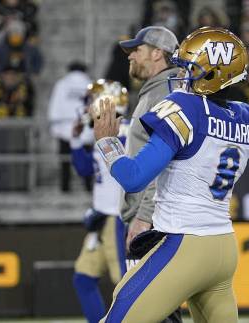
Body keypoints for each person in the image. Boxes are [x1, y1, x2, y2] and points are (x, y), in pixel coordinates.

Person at [92, 26, 249, 323]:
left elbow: (133, 177)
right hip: (223, 248)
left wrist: (107, 143)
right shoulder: (245, 115)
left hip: (185, 245)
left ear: (211, 73)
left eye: (190, 67)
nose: (182, 74)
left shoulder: (184, 107)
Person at [117, 24, 183, 323]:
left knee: (147, 309)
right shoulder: (158, 91)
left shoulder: (165, 95)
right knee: (157, 309)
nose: (131, 56)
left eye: (137, 50)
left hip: (154, 218)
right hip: (154, 214)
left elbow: (166, 160)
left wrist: (144, 215)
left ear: (158, 53)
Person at [71, 80, 128, 323]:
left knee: (127, 287)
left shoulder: (127, 130)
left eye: (93, 99)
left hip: (119, 219)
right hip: (101, 218)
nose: (87, 105)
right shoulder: (100, 131)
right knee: (83, 279)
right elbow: (85, 168)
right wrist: (75, 141)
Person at [47, 60, 93, 192]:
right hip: (85, 128)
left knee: (65, 161)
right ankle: (88, 187)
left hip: (64, 128)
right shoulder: (90, 84)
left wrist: (55, 127)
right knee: (86, 159)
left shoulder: (61, 84)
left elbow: (54, 107)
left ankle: (65, 188)